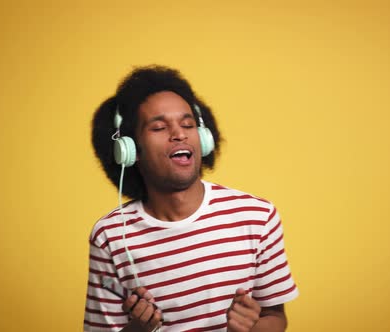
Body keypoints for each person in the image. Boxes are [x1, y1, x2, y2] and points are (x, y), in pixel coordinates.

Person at [84, 65, 298, 332]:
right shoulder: (111, 235)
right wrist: (137, 329)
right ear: (129, 150)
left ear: (204, 138)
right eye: (160, 127)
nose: (180, 134)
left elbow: (275, 316)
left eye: (188, 124)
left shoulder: (257, 216)